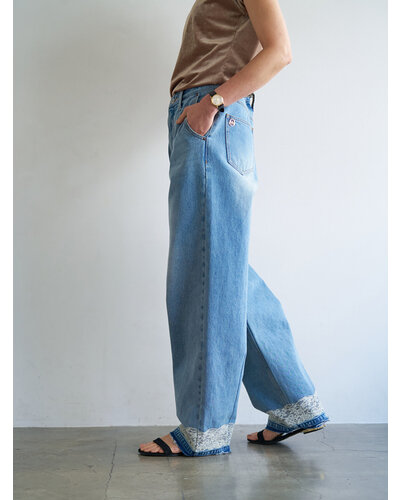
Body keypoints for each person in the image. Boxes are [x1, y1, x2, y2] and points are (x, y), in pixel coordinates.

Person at [139, 0, 329, 457]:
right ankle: (292, 401)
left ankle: (204, 428)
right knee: (222, 267)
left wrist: (211, 103)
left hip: (210, 116)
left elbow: (279, 51)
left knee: (203, 273)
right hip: (207, 120)